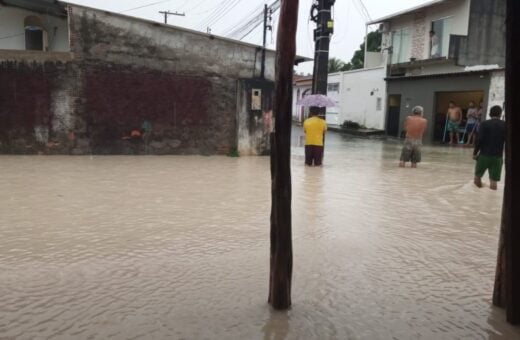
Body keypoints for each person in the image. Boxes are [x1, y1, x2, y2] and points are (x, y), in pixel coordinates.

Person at [473, 106, 505, 191]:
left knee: (477, 178)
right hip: (498, 157)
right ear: (500, 114)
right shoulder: (505, 125)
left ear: (490, 113)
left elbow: (479, 140)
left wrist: (475, 153)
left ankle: (476, 198)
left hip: (484, 155)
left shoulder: (484, 124)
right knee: (494, 182)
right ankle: (491, 200)